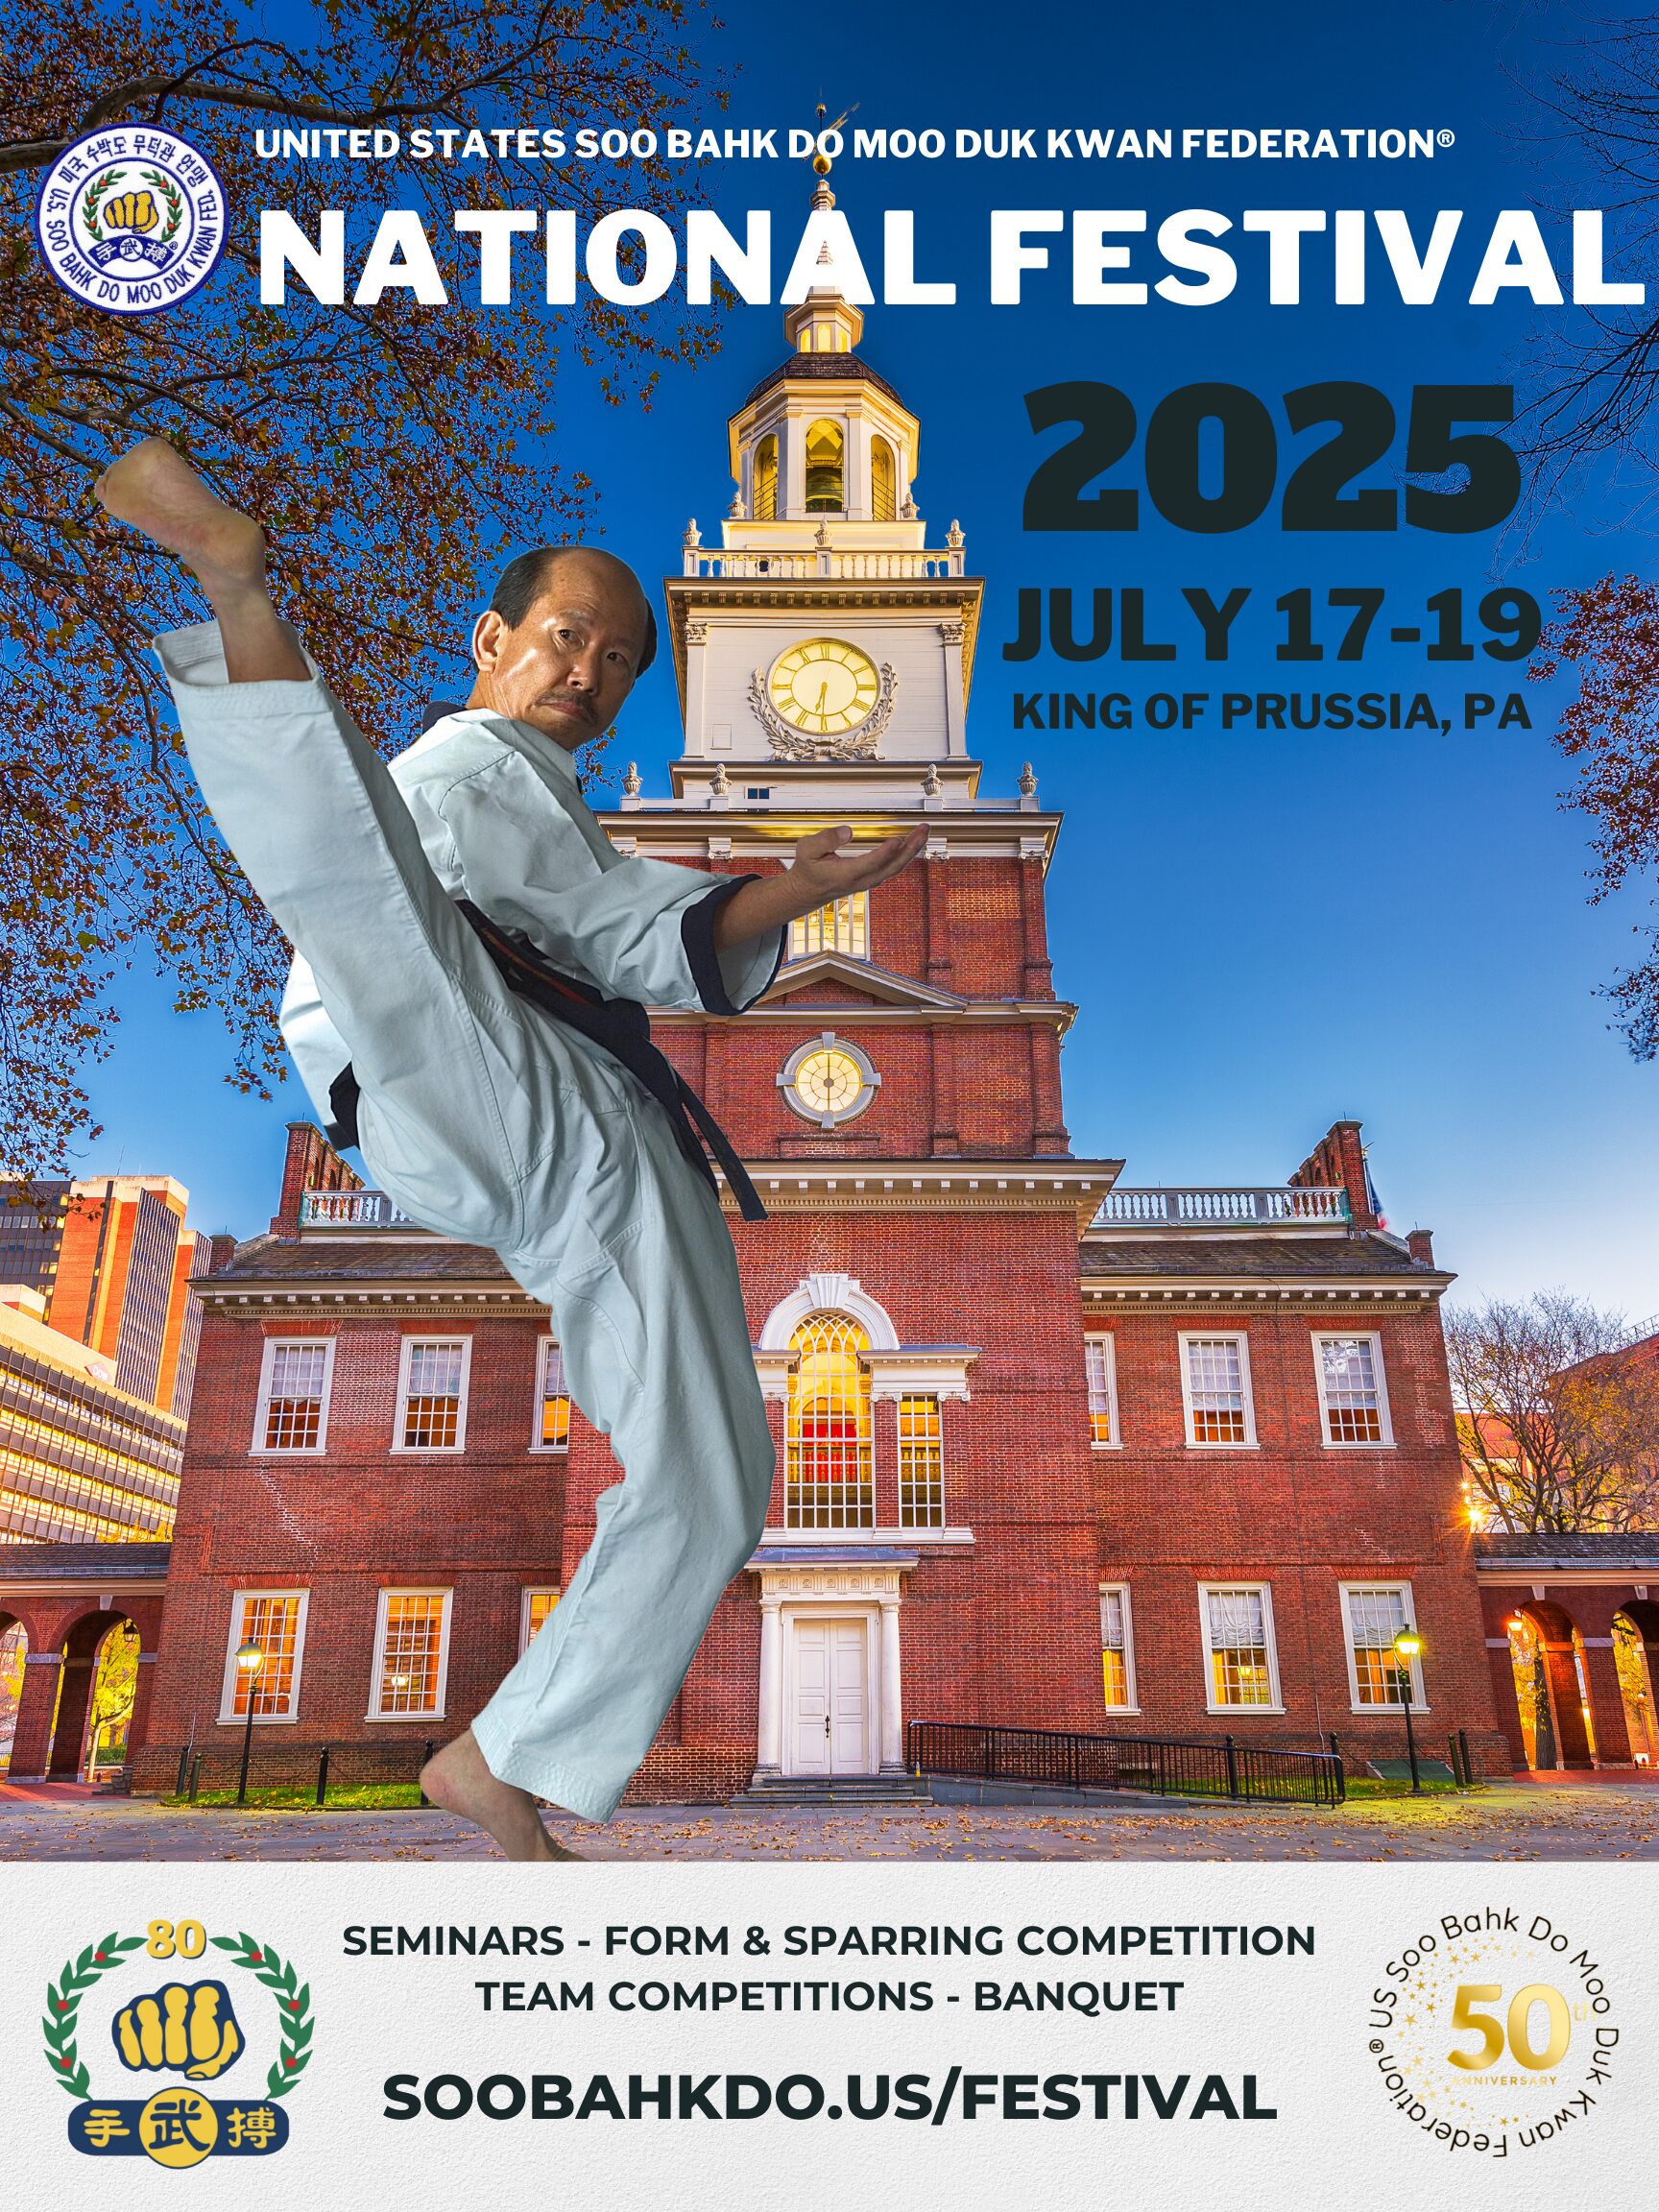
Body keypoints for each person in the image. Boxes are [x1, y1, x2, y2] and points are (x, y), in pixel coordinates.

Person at [96, 438, 926, 1861]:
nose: (588, 671)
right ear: (493, 641)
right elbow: (376, 869)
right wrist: (783, 885)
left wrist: (796, 883)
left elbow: (634, 934)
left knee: (717, 1479)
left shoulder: (558, 813)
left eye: (619, 660)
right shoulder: (468, 762)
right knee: (372, 897)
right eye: (566, 636)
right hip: (460, 1058)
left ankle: (503, 1757)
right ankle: (239, 593)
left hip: (577, 1129)